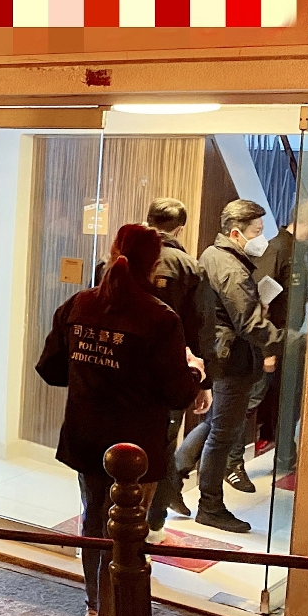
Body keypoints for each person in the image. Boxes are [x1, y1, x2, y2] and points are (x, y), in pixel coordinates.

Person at [37, 223, 202, 616]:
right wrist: (196, 372)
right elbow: (177, 393)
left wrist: (90, 374)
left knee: (93, 522)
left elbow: (50, 369)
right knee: (126, 535)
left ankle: (95, 608)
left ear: (113, 252)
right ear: (155, 265)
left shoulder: (79, 304)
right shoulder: (160, 318)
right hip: (134, 449)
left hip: (86, 436)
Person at [189, 201, 283, 533]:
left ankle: (175, 476)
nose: (261, 238)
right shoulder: (231, 268)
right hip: (233, 359)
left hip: (222, 353)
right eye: (257, 231)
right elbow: (249, 323)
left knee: (215, 424)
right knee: (223, 434)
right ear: (235, 233)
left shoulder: (213, 255)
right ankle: (210, 506)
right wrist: (286, 340)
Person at [134, 199, 213, 543]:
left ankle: (118, 515)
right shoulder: (188, 266)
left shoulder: (121, 258)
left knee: (124, 439)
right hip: (169, 372)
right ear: (180, 228)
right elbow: (199, 328)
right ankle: (153, 523)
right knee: (163, 445)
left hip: (124, 371)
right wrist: (203, 382)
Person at [253, 201, 308, 475]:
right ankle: (229, 463)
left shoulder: (299, 251)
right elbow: (260, 299)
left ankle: (285, 456)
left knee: (288, 400)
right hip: (274, 340)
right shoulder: (278, 249)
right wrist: (267, 349)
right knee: (253, 401)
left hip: (289, 340)